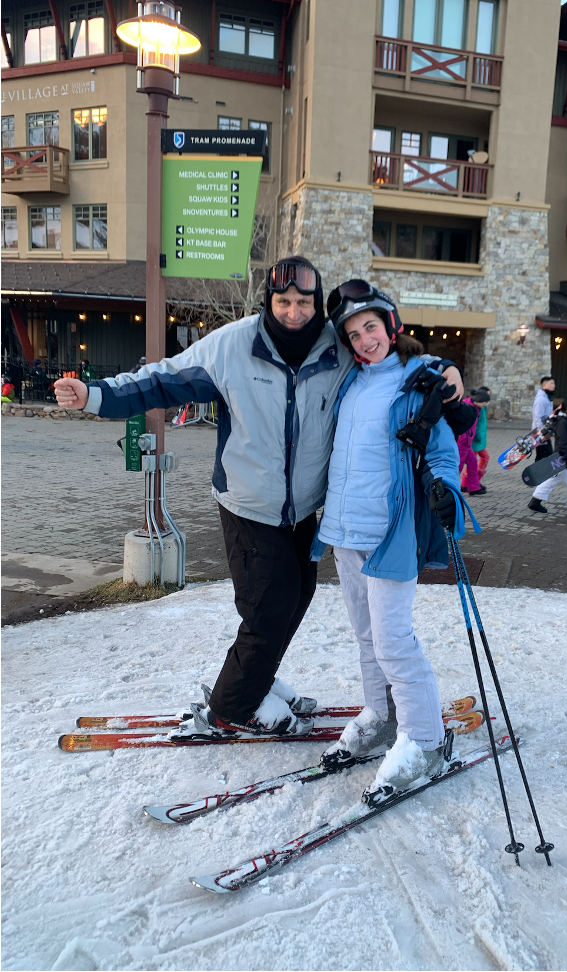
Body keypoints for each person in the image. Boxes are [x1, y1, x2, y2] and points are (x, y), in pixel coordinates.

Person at [53, 257, 465, 740]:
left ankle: (260, 679)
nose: (293, 312)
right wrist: (94, 395)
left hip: (306, 512)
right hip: (249, 505)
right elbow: (163, 379)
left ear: (317, 305)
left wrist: (445, 368)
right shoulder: (234, 345)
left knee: (296, 598)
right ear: (268, 302)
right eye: (283, 301)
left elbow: (395, 361)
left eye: (304, 302)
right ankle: (234, 706)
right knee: (267, 609)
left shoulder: (337, 344)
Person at [312, 281, 478, 803]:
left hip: (390, 533)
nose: (364, 340)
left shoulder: (417, 379)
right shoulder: (350, 384)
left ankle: (426, 741)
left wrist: (446, 490)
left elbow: (445, 449)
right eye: (354, 334)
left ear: (390, 325)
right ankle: (381, 716)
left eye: (371, 328)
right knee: (365, 638)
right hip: (343, 530)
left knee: (393, 641)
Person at [460, 388, 491, 494]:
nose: (486, 404)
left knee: (473, 463)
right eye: (484, 402)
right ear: (478, 400)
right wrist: (465, 438)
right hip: (462, 442)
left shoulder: (475, 408)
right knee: (458, 467)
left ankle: (473, 487)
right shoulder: (467, 408)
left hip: (468, 442)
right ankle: (451, 487)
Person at [532, 376, 557, 460]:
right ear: (545, 385)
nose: (554, 385)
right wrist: (543, 430)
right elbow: (537, 417)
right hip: (540, 433)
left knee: (545, 454)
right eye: (551, 383)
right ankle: (535, 472)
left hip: (546, 431)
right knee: (543, 455)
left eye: (554, 383)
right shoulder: (541, 399)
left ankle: (538, 472)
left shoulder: (548, 398)